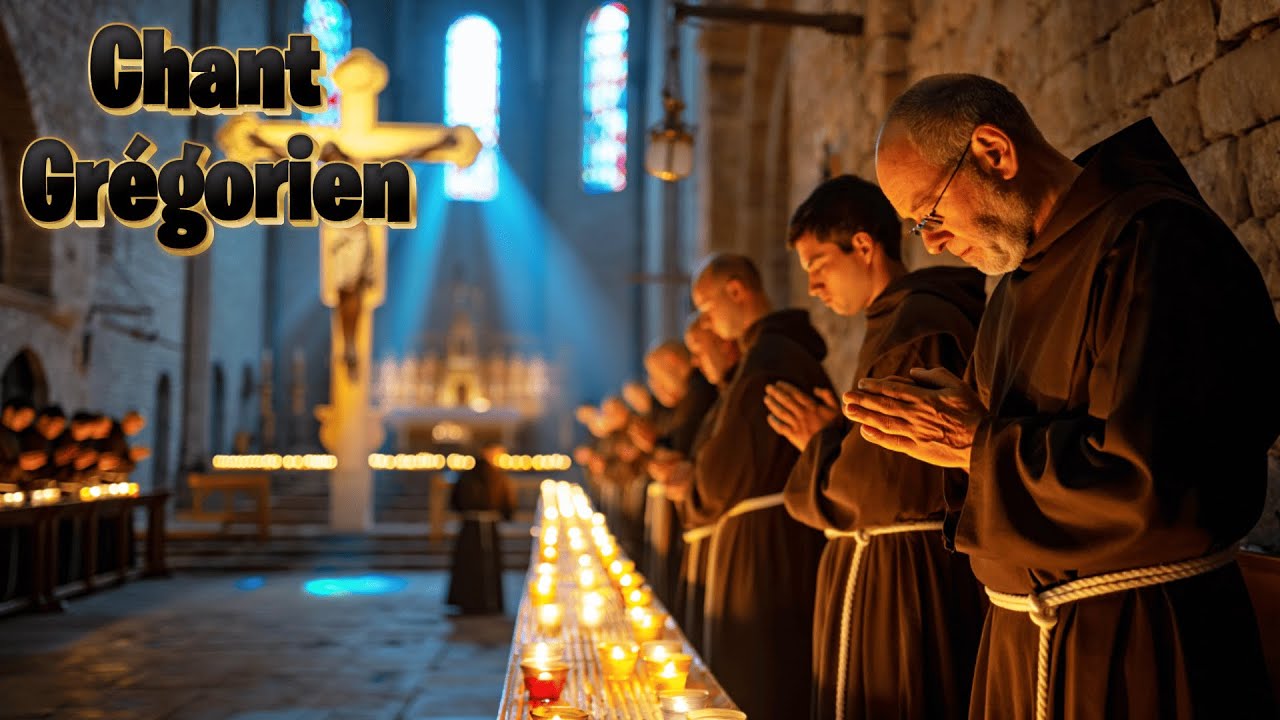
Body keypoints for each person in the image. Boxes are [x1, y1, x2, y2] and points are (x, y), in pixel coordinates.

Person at [847, 73, 1280, 719]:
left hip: (1133, 647)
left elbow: (1158, 483)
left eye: (929, 213)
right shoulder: (1012, 287)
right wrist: (959, 438)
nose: (931, 242)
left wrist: (975, 445)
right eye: (917, 226)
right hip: (1022, 644)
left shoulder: (1153, 242)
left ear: (994, 152)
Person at [768, 174, 986, 720]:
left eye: (818, 264)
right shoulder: (898, 320)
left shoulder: (916, 327)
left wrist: (820, 444)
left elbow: (877, 489)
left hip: (905, 578)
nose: (813, 287)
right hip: (902, 567)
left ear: (863, 246)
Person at [680, 253, 828, 720]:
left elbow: (725, 473)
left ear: (736, 291)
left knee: (761, 679)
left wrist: (695, 488)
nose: (707, 321)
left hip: (768, 549)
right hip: (771, 539)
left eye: (707, 308)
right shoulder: (765, 355)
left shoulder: (769, 360)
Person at [652, 313, 741, 654]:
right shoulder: (706, 392)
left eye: (698, 351)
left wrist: (685, 473)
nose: (696, 363)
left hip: (729, 529)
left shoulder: (704, 391)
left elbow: (716, 459)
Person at [446, 442, 516, 615]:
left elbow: (455, 502)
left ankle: (469, 602)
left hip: (472, 527)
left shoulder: (467, 474)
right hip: (482, 526)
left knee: (471, 564)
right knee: (479, 564)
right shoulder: (496, 476)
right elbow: (506, 504)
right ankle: (488, 603)